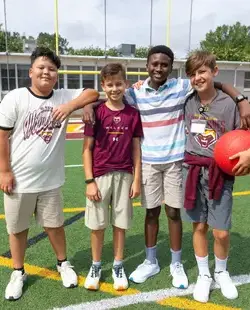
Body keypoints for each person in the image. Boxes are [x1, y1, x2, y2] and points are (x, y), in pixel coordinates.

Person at [82, 45, 250, 289]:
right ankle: (151, 261)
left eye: (164, 64)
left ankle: (176, 262)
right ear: (147, 65)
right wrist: (89, 106)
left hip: (175, 162)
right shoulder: (134, 93)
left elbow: (217, 83)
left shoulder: (182, 87)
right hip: (149, 162)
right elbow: (106, 96)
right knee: (151, 212)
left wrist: (241, 99)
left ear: (171, 67)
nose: (158, 68)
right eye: (154, 64)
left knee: (173, 212)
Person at [0, 47, 99, 301]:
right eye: (41, 67)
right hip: (19, 179)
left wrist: (75, 106)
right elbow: (2, 136)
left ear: (57, 75)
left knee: (55, 225)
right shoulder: (15, 97)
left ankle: (63, 263)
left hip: (50, 180)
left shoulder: (63, 96)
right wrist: (4, 170)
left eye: (52, 69)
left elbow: (93, 92)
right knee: (18, 229)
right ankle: (18, 271)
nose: (46, 72)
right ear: (31, 71)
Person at [183, 50, 239, 303]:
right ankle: (204, 275)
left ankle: (221, 271)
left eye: (202, 71)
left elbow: (242, 137)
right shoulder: (188, 102)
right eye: (193, 73)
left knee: (221, 232)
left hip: (220, 172)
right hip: (193, 170)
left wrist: (242, 98)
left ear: (214, 72)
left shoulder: (229, 104)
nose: (197, 77)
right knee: (199, 226)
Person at [82, 63, 143, 291]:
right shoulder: (96, 112)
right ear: (103, 86)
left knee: (120, 224)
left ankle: (118, 265)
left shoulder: (133, 114)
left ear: (126, 84)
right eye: (110, 84)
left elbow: (136, 149)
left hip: (125, 175)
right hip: (100, 176)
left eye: (119, 84)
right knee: (97, 226)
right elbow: (87, 149)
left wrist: (136, 179)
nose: (115, 88)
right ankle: (96, 265)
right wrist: (89, 181)